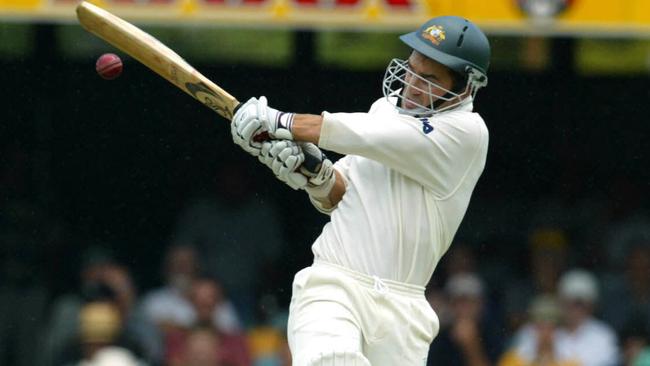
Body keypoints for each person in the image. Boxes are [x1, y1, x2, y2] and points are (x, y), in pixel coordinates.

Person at [230, 15, 490, 366]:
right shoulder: (385, 109)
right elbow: (337, 197)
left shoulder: (468, 133)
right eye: (412, 69)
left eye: (429, 79)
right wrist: (314, 172)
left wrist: (280, 122)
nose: (412, 83)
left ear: (465, 87)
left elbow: (368, 135)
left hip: (404, 311)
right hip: (335, 285)